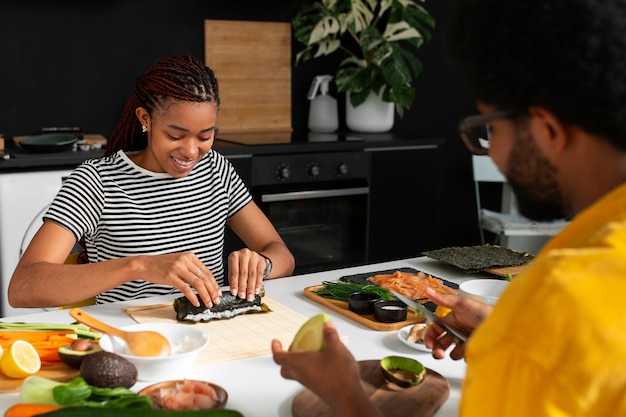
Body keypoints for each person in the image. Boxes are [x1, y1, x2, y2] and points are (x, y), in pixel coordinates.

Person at [272, 0, 626, 416]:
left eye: (490, 128)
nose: (492, 154)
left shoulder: (552, 304)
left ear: (547, 130)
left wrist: (345, 393)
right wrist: (503, 332)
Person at [9, 55, 295, 309]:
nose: (191, 151)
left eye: (205, 136)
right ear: (145, 119)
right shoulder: (96, 181)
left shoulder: (216, 170)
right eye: (175, 135)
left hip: (212, 333)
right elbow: (23, 287)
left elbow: (281, 253)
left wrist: (262, 264)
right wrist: (140, 265)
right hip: (131, 342)